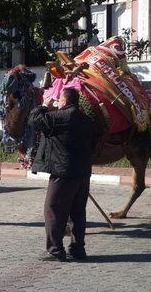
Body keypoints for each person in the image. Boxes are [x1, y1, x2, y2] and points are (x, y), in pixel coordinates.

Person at [29, 88, 95, 261]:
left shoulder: (63, 117)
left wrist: (44, 105)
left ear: (64, 101)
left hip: (63, 173)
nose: (58, 102)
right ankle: (78, 249)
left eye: (59, 99)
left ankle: (56, 250)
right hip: (82, 173)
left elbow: (34, 121)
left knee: (53, 210)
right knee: (78, 212)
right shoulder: (87, 120)